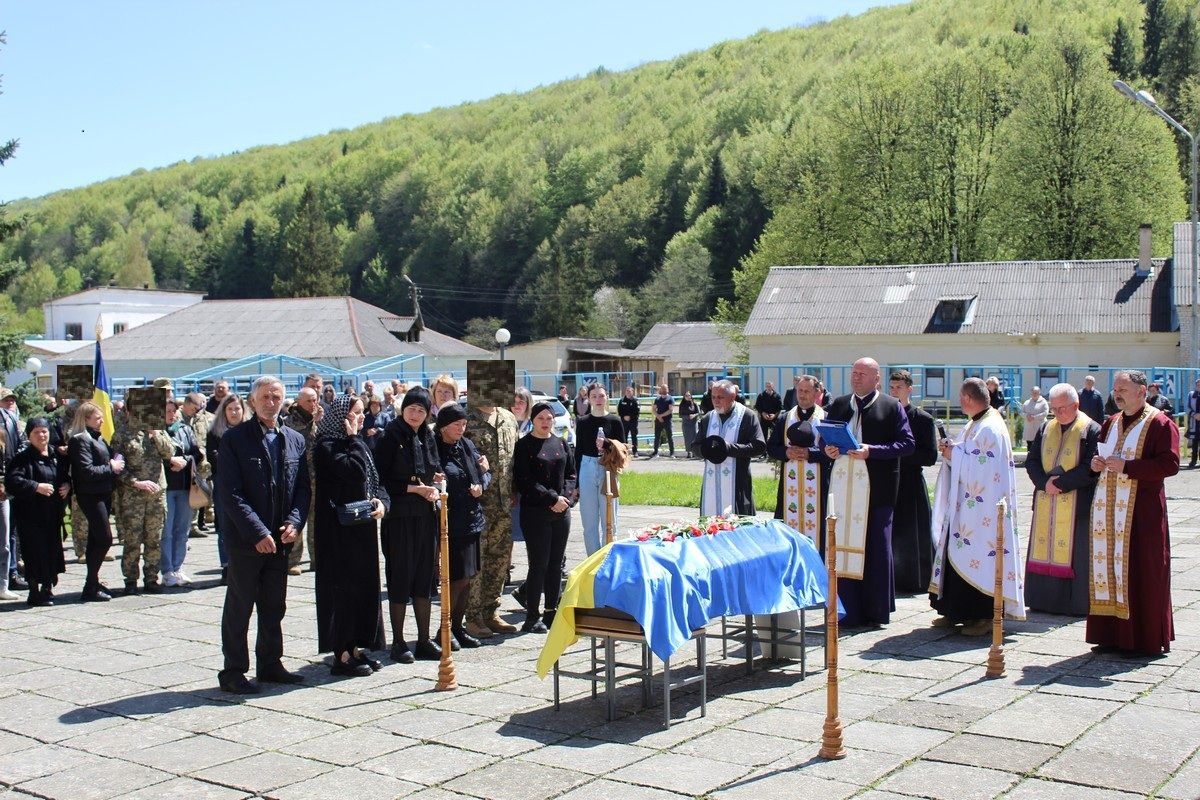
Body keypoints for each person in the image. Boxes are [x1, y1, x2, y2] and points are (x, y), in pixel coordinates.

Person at [216, 376, 310, 694]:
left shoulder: (294, 439)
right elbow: (230, 493)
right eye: (265, 397)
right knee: (240, 605)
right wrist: (256, 531)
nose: (271, 403)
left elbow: (302, 489)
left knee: (274, 605)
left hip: (280, 539)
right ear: (252, 402)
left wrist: (295, 522)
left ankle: (270, 663)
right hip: (246, 540)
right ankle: (233, 670)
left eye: (277, 397)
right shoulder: (235, 439)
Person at [1087, 370, 1178, 655]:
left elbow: (1170, 465)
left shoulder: (1160, 423)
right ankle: (1110, 635)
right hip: (1109, 513)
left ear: (1141, 391)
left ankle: (1142, 639)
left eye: (1123, 388)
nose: (1117, 393)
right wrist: (1096, 464)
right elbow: (1102, 456)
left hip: (1142, 515)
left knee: (1142, 571)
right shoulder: (1110, 423)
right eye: (1115, 389)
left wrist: (1128, 467)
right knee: (1108, 571)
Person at [823, 357, 915, 628]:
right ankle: (846, 609)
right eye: (854, 373)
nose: (856, 377)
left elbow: (907, 444)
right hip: (843, 492)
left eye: (863, 374)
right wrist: (828, 449)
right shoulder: (839, 404)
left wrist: (871, 451)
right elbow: (824, 438)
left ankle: (875, 610)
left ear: (876, 379)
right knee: (841, 547)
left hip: (878, 491)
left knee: (875, 547)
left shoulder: (891, 406)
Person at [930, 378, 1025, 635]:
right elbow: (968, 454)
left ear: (967, 399)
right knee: (956, 553)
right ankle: (954, 611)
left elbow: (984, 469)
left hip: (984, 511)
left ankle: (983, 616)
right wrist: (953, 452)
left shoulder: (991, 428)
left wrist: (954, 455)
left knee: (980, 558)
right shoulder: (976, 423)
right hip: (966, 508)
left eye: (961, 398)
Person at [313, 395, 388, 678]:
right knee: (343, 590)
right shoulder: (327, 446)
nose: (359, 418)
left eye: (360, 413)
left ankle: (357, 647)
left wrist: (381, 502)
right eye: (355, 414)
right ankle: (341, 654)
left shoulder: (356, 445)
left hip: (362, 526)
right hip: (338, 533)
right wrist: (355, 439)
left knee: (363, 587)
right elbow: (354, 473)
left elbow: (374, 480)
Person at [374, 387, 444, 663]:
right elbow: (381, 479)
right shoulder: (390, 436)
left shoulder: (427, 436)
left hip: (425, 516)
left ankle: (424, 639)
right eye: (411, 409)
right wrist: (416, 490)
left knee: (424, 578)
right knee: (400, 577)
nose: (415, 415)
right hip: (399, 516)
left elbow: (433, 467)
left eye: (421, 410)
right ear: (403, 409)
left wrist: (435, 483)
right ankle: (399, 641)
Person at [1025, 383, 1100, 616]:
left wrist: (1059, 484)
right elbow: (1032, 460)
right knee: (1043, 546)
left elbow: (1091, 468)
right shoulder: (1046, 428)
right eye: (1055, 409)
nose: (1058, 413)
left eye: (1063, 408)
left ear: (1076, 405)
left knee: (1074, 554)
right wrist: (1043, 483)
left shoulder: (1091, 430)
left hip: (1077, 504)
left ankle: (1073, 604)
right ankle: (1041, 600)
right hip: (1046, 500)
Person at [514, 401, 577, 633]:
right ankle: (532, 616)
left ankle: (551, 611)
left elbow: (571, 473)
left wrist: (566, 497)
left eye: (549, 419)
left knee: (555, 565)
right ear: (533, 420)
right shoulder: (524, 445)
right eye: (541, 418)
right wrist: (552, 499)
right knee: (538, 564)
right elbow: (525, 480)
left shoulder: (560, 443)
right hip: (536, 512)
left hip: (562, 511)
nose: (545, 422)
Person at [434, 402, 490, 648]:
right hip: (449, 522)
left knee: (468, 577)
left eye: (464, 424)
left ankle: (458, 627)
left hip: (471, 519)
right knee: (454, 579)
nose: (461, 428)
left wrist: (482, 484)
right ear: (444, 426)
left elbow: (483, 472)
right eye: (457, 425)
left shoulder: (466, 445)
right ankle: (444, 629)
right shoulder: (434, 448)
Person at [4, 418, 67, 605]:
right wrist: (36, 486)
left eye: (44, 431)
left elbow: (65, 475)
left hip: (52, 513)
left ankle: (47, 588)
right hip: (31, 514)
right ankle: (33, 590)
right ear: (30, 435)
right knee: (34, 552)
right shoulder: (22, 458)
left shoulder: (56, 455)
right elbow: (12, 482)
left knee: (51, 551)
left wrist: (67, 485)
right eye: (37, 432)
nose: (42, 435)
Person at [111, 412, 174, 595]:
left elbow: (170, 453)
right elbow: (117, 467)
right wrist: (135, 482)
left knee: (154, 539)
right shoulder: (122, 434)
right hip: (133, 496)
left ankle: (151, 579)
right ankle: (130, 580)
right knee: (132, 540)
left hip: (156, 495)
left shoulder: (158, 431)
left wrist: (155, 434)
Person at [68, 401, 125, 601]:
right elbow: (86, 471)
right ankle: (91, 583)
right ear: (85, 419)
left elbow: (109, 459)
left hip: (103, 492)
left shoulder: (98, 437)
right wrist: (112, 467)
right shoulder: (79, 440)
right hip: (90, 494)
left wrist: (116, 461)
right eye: (98, 418)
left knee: (96, 538)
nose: (102, 421)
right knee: (104, 538)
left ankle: (92, 584)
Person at [888, 370, 939, 593]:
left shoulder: (923, 419)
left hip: (910, 483)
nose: (894, 392)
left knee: (914, 533)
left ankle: (916, 580)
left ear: (909, 389)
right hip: (889, 480)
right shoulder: (885, 415)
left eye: (898, 387)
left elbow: (930, 456)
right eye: (891, 388)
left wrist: (898, 452)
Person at [768, 374, 826, 542]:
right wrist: (786, 453)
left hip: (818, 487)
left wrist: (811, 454)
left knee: (819, 532)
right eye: (799, 390)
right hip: (789, 487)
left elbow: (833, 452)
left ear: (817, 393)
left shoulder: (826, 418)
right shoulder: (784, 418)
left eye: (807, 391)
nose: (802, 395)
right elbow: (771, 447)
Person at [697, 380, 766, 515]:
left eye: (721, 397)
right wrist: (707, 451)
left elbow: (759, 446)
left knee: (739, 525)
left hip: (737, 482)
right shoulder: (708, 418)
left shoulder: (747, 416)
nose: (716, 401)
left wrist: (729, 449)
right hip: (712, 484)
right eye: (713, 397)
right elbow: (695, 445)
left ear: (733, 397)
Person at [574, 384, 625, 555]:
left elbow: (624, 449)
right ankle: (592, 561)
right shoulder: (582, 422)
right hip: (587, 467)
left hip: (608, 468)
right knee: (589, 521)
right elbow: (578, 451)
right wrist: (575, 482)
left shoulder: (614, 421)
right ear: (588, 398)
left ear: (607, 397)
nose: (598, 400)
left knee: (609, 519)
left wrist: (607, 444)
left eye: (601, 396)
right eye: (594, 396)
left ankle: (607, 559)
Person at [161, 399, 204, 587]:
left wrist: (185, 460)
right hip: (167, 487)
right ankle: (167, 569)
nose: (171, 415)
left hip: (185, 487)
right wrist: (170, 461)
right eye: (167, 411)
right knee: (167, 531)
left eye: (173, 411)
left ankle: (178, 568)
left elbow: (197, 453)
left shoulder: (185, 429)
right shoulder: (156, 432)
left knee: (182, 530)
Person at [208, 393, 246, 585]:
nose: (233, 412)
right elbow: (213, 457)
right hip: (223, 485)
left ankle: (243, 564)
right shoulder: (215, 432)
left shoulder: (251, 430)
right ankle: (226, 566)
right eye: (229, 409)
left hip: (247, 485)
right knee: (224, 526)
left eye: (236, 408)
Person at [284, 386, 323, 575]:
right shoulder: (290, 421)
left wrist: (319, 423)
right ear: (299, 402)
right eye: (309, 400)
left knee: (317, 521)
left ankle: (317, 558)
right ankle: (292, 560)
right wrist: (312, 423)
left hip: (317, 477)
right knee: (297, 519)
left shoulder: (319, 419)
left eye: (315, 399)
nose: (313, 404)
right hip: (298, 478)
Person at [182, 392, 214, 538]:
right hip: (182, 464)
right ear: (187, 404)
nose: (199, 409)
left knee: (197, 495)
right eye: (196, 406)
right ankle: (184, 528)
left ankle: (193, 525)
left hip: (200, 464)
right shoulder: (177, 417)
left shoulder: (206, 418)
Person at [754, 381, 783, 446]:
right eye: (767, 386)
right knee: (763, 435)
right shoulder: (761, 395)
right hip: (764, 419)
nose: (768, 388)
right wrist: (763, 413)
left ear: (772, 387)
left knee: (774, 434)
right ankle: (764, 451)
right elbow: (757, 406)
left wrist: (774, 415)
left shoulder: (777, 396)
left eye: (770, 386)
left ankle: (773, 449)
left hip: (774, 419)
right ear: (765, 387)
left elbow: (780, 407)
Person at [651, 384, 674, 458]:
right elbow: (654, 409)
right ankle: (655, 452)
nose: (664, 390)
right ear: (660, 390)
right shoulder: (657, 399)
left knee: (669, 436)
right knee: (657, 436)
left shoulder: (670, 398)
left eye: (665, 388)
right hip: (658, 421)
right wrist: (658, 416)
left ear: (668, 389)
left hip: (667, 420)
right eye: (662, 388)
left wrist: (661, 416)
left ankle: (672, 453)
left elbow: (670, 410)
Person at [617, 386, 640, 458]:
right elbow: (619, 410)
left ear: (632, 392)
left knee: (634, 436)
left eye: (629, 391)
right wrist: (624, 417)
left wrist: (630, 417)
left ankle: (635, 452)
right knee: (624, 437)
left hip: (633, 421)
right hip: (624, 422)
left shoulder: (635, 400)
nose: (628, 392)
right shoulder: (622, 400)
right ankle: (625, 451)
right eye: (627, 391)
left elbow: (637, 411)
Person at [679, 390, 700, 458]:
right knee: (687, 438)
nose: (688, 397)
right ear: (684, 397)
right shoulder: (682, 405)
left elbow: (699, 413)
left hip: (694, 423)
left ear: (691, 396)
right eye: (686, 396)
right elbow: (680, 415)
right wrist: (687, 417)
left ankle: (695, 452)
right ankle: (689, 452)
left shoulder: (694, 404)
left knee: (695, 437)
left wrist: (694, 415)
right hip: (686, 424)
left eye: (689, 395)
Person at [1187, 379, 1200, 468]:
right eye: (1198, 384)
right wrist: (1194, 414)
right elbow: (1187, 407)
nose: (1199, 385)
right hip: (1194, 422)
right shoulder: (1191, 394)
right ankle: (1193, 460)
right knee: (1194, 443)